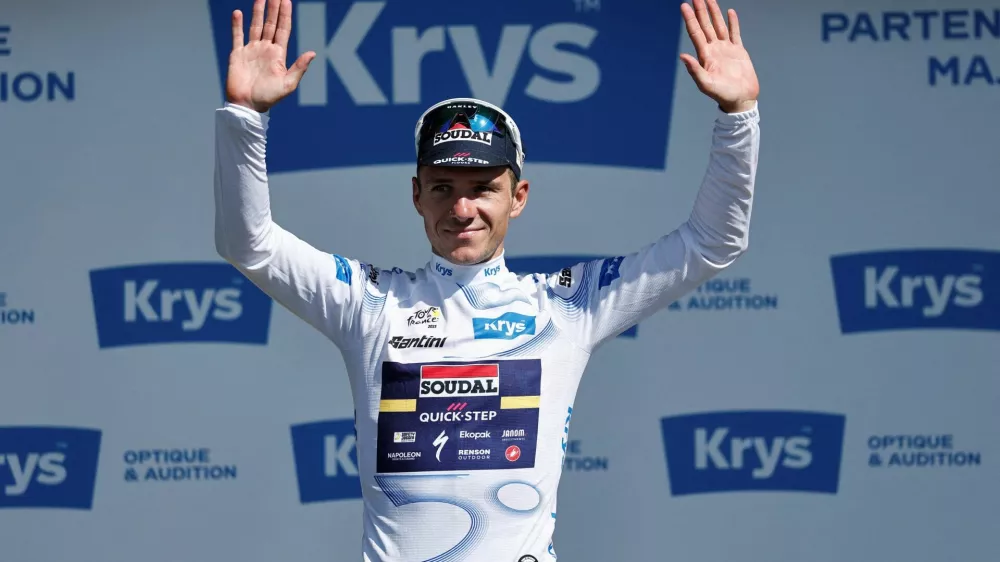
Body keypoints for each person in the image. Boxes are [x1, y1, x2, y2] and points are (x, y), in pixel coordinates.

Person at [213, 0, 760, 559]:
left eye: (483, 188)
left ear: (517, 198)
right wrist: (245, 120)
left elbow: (711, 243)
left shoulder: (567, 306)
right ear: (416, 195)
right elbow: (248, 244)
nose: (463, 208)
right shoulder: (370, 302)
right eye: (443, 187)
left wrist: (738, 115)